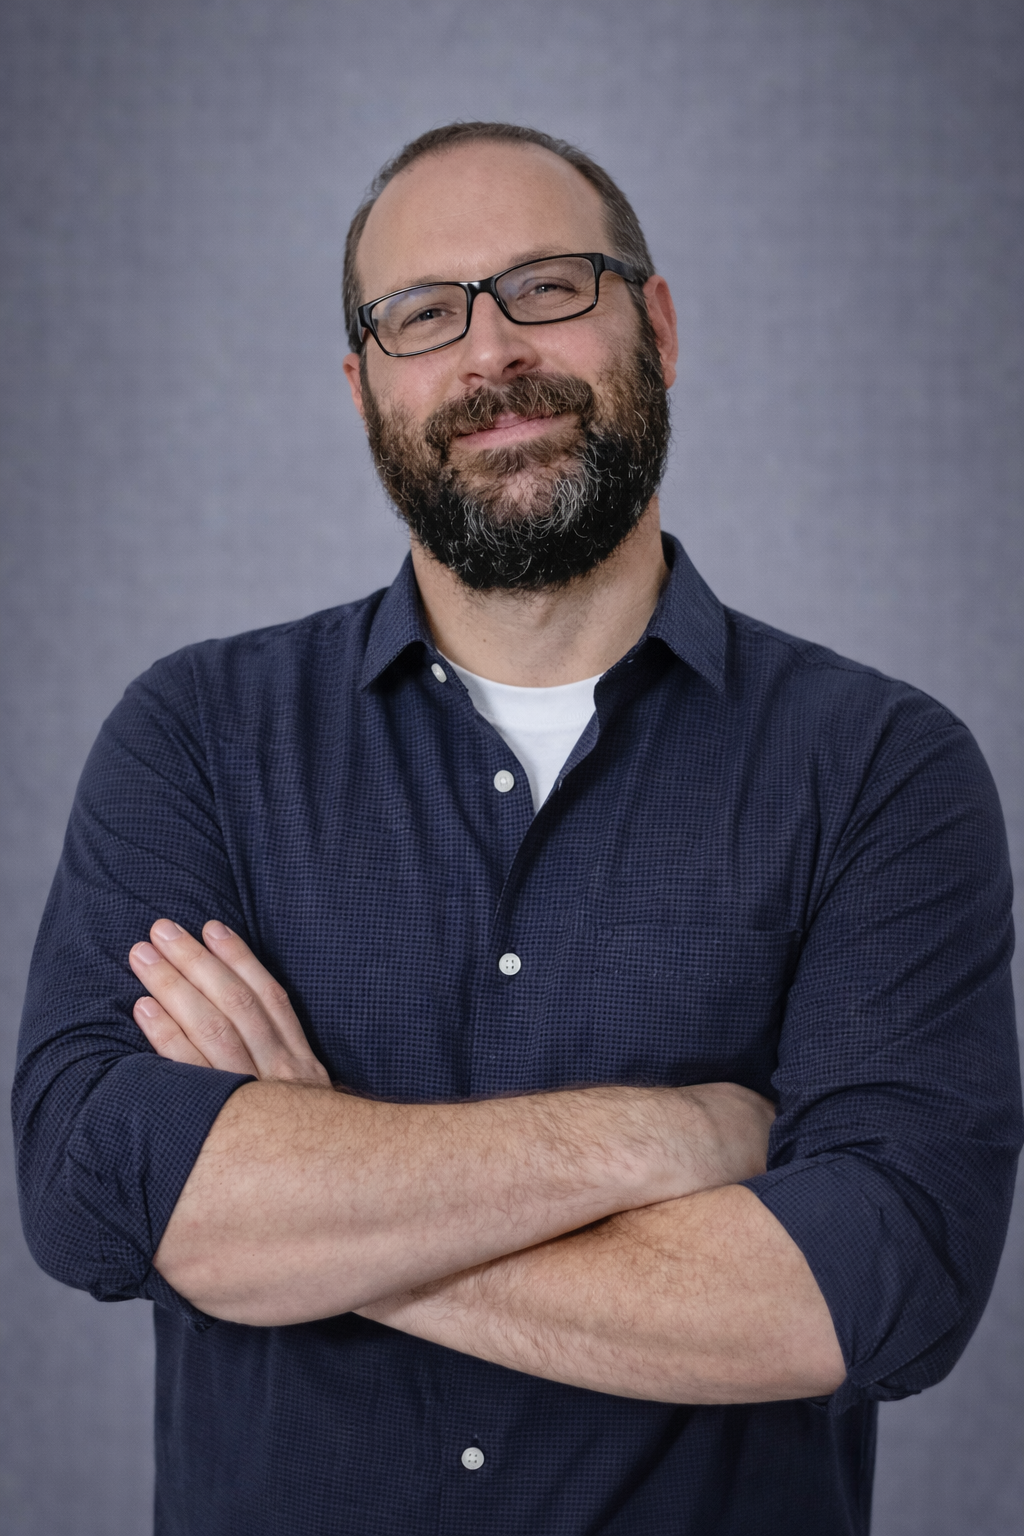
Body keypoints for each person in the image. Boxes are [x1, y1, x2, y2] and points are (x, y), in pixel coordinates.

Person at [14, 121, 1021, 1536]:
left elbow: (877, 1287)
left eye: (548, 287)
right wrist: (659, 1139)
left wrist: (303, 1200)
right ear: (364, 388)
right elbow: (94, 1186)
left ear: (657, 327)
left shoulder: (879, 768)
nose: (491, 352)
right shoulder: (198, 736)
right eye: (423, 313)